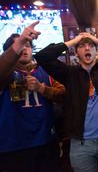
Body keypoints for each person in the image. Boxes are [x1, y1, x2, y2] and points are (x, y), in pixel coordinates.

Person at [35, 33, 98, 172]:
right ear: (76, 53)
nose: (87, 48)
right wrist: (73, 41)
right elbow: (42, 56)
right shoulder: (69, 73)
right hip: (81, 143)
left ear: (96, 51)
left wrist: (97, 40)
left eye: (91, 46)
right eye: (82, 46)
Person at [0, 21, 65, 172]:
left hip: (46, 142)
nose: (24, 48)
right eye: (19, 45)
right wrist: (21, 40)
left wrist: (41, 88)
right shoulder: (5, 74)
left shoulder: (44, 70)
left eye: (28, 45)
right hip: (14, 148)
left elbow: (64, 96)